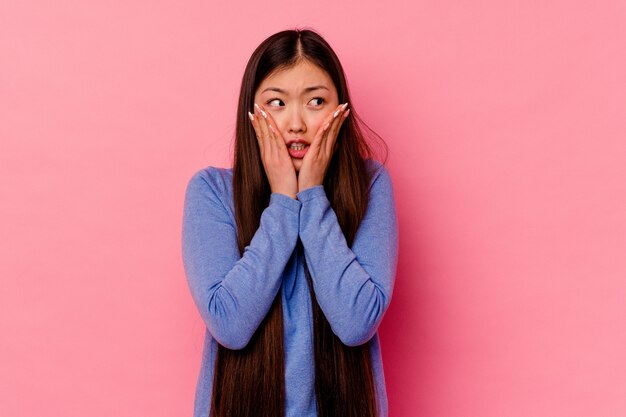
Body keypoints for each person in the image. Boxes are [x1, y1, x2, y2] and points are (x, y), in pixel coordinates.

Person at [181, 28, 399, 417]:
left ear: (340, 110)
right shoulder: (211, 192)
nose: (296, 123)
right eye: (277, 103)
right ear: (252, 111)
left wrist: (312, 195)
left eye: (315, 101)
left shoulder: (371, 186)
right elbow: (229, 325)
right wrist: (283, 201)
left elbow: (355, 322)